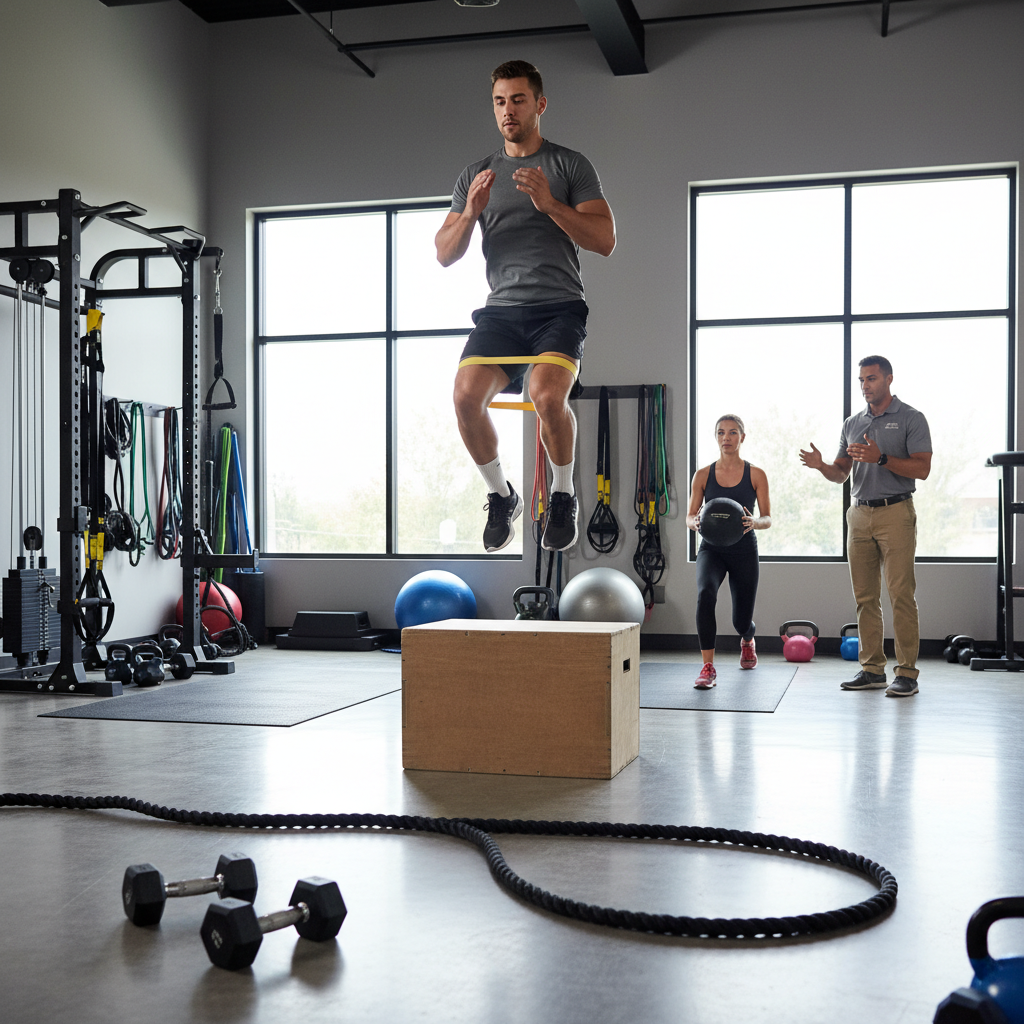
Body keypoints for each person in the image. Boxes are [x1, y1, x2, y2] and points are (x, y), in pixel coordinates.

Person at [435, 59, 616, 553]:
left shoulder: (569, 166)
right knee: (465, 398)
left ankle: (562, 494)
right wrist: (470, 213)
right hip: (501, 312)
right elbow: (445, 254)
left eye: (517, 100)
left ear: (539, 104)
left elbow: (605, 240)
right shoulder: (476, 175)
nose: (507, 110)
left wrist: (551, 205)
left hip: (559, 308)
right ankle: (502, 496)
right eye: (499, 101)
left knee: (547, 397)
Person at [799, 355, 932, 697]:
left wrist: (881, 458)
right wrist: (821, 466)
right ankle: (872, 669)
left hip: (895, 512)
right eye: (861, 380)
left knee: (901, 595)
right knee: (865, 597)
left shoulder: (911, 418)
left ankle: (907, 673)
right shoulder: (852, 422)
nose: (864, 386)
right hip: (858, 514)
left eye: (871, 378)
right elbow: (841, 474)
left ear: (888, 379)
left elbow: (922, 469)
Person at [686, 415, 772, 690]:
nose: (726, 438)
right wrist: (694, 522)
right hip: (711, 549)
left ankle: (748, 638)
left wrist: (755, 522)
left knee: (741, 621)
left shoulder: (756, 474)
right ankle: (707, 667)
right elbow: (689, 516)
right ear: (716, 437)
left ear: (742, 437)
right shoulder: (703, 475)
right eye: (721, 432)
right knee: (705, 594)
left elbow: (767, 518)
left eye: (733, 432)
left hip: (744, 550)